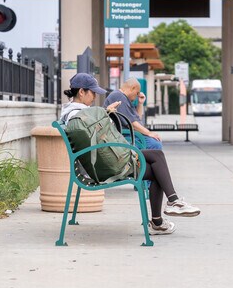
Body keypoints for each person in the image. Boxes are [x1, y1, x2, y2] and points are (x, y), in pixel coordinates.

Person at [60, 73, 200, 235]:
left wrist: (106, 112)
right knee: (157, 161)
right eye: (93, 93)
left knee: (156, 159)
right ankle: (166, 211)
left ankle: (166, 211)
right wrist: (106, 113)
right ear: (82, 92)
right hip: (106, 167)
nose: (95, 97)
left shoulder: (77, 113)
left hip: (103, 162)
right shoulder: (78, 116)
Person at [104, 77, 163, 150]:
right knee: (154, 144)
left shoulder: (124, 98)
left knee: (155, 142)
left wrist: (140, 103)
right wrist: (149, 133)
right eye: (137, 93)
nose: (137, 95)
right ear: (132, 88)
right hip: (123, 136)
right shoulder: (118, 96)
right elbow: (132, 123)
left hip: (129, 134)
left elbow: (137, 119)